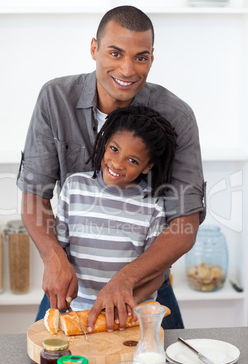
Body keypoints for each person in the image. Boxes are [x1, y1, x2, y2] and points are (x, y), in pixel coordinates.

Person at [17, 5, 205, 331]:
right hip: (74, 289)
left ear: (152, 58)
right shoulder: (55, 99)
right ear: (94, 49)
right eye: (115, 53)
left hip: (144, 290)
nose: (127, 69)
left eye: (141, 57)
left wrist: (126, 280)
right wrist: (53, 259)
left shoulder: (177, 116)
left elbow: (184, 222)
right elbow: (35, 196)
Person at [55, 105, 177, 318]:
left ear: (147, 167)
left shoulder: (153, 204)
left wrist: (125, 304)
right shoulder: (74, 187)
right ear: (104, 142)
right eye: (114, 149)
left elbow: (156, 274)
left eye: (133, 160)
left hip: (129, 316)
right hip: (79, 313)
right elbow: (60, 252)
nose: (118, 164)